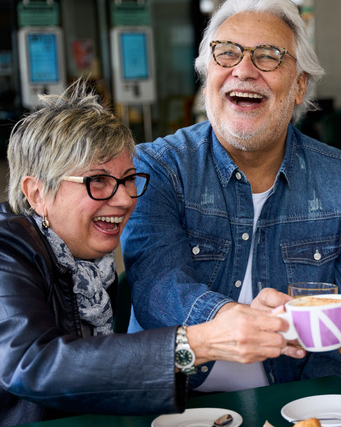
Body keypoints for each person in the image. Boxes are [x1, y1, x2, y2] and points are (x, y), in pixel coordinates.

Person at [120, 0, 341, 393]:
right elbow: (156, 289)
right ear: (208, 74)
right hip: (173, 398)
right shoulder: (158, 166)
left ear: (299, 87)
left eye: (268, 56)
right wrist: (234, 317)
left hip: (294, 399)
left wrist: (308, 409)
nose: (244, 70)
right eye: (227, 53)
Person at [0, 82, 300, 426]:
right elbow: (32, 365)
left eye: (129, 179)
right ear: (36, 192)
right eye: (97, 180)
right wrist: (197, 342)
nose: (125, 198)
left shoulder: (92, 268)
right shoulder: (7, 249)